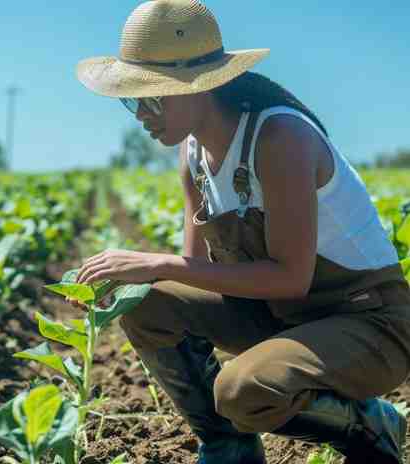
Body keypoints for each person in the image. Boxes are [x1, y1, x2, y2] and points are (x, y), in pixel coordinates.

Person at [68, 1, 410, 463]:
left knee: (241, 390)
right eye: (131, 100)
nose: (140, 114)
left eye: (151, 97)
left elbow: (291, 278)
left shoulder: (279, 138)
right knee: (146, 305)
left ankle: (369, 424)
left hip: (369, 325)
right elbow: (195, 274)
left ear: (198, 87)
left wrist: (159, 262)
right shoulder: (192, 155)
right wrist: (130, 279)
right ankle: (227, 445)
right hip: (287, 318)